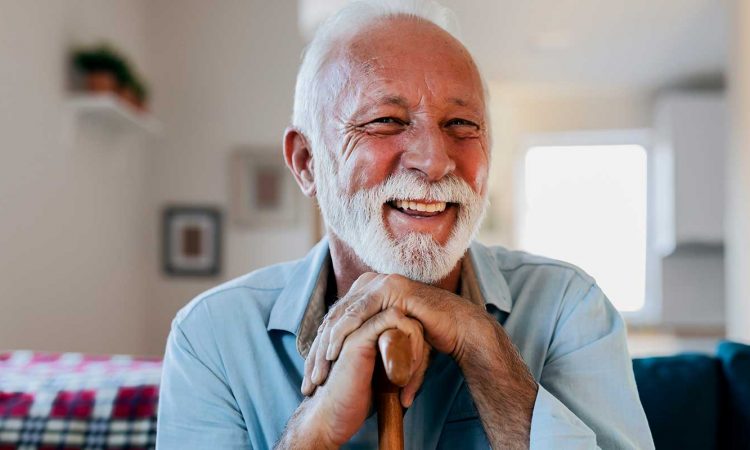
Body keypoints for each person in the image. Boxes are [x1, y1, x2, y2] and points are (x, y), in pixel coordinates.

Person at [156, 1, 654, 449]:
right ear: (307, 162)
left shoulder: (569, 307)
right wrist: (316, 432)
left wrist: (482, 345)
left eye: (462, 125)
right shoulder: (212, 336)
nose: (435, 162)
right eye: (386, 121)